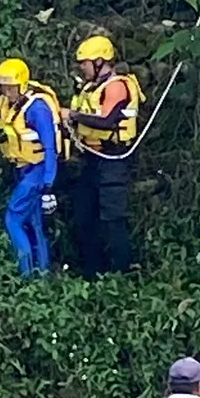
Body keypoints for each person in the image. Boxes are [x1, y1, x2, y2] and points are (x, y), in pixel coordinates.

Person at [60, 35, 145, 279]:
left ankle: (122, 272)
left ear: (99, 62)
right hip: (91, 158)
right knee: (85, 212)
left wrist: (74, 116)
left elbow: (107, 121)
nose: (82, 68)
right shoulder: (91, 87)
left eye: (85, 63)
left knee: (112, 218)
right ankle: (91, 271)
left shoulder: (116, 86)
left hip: (113, 159)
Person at [0, 58, 61, 277]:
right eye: (3, 86)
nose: (6, 91)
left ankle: (25, 276)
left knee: (13, 219)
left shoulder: (37, 109)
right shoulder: (11, 105)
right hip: (23, 169)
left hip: (38, 170)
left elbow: (50, 147)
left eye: (10, 87)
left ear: (21, 85)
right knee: (33, 222)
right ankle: (41, 275)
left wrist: (48, 184)